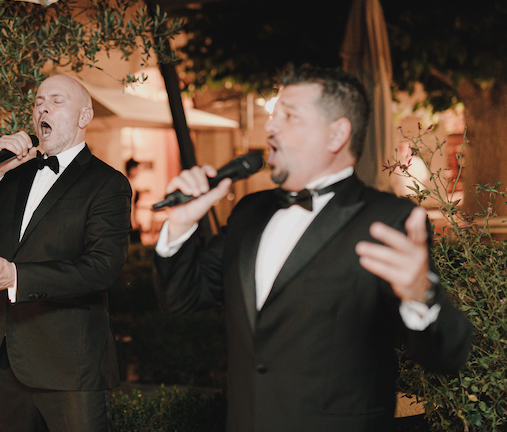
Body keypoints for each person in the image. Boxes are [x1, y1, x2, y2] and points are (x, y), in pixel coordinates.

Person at [152, 65, 473, 432]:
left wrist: (421, 295)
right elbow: (181, 298)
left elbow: (446, 356)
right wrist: (179, 225)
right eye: (273, 116)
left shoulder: (388, 219)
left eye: (288, 116)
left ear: (337, 134)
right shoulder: (249, 212)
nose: (270, 128)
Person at [0, 74, 131, 432]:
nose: (42, 107)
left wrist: (16, 276)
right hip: (9, 360)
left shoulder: (107, 185)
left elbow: (102, 269)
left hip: (70, 365)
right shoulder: (13, 175)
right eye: (38, 102)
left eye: (57, 101)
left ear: (84, 117)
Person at [125, 158, 142, 243]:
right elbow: (130, 205)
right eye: (136, 169)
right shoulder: (130, 184)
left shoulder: (127, 182)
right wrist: (133, 222)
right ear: (131, 170)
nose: (138, 172)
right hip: (130, 222)